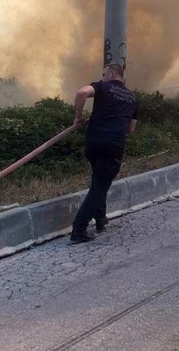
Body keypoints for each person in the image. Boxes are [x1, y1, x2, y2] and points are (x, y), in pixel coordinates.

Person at [70, 63, 138, 243]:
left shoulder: (102, 87)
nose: (102, 77)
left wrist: (78, 117)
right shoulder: (132, 98)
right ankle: (79, 229)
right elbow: (130, 130)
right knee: (100, 185)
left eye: (103, 74)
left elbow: (81, 93)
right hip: (113, 144)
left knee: (99, 180)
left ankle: (100, 218)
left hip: (93, 141)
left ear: (112, 74)